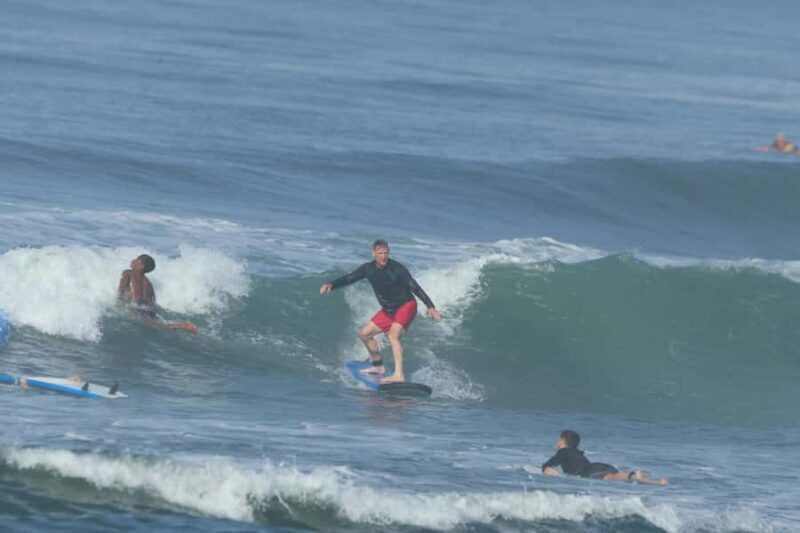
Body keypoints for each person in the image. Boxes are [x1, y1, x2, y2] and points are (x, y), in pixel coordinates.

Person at [319, 239, 441, 384]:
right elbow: (349, 278)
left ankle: (399, 375)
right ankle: (378, 366)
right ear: (374, 253)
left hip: (406, 305)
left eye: (386, 253)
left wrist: (430, 306)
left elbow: (414, 286)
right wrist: (331, 285)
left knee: (393, 335)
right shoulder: (368, 269)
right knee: (364, 334)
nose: (384, 256)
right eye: (380, 253)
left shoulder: (397, 268)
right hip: (389, 309)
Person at [542, 430, 668, 485]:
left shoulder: (563, 451)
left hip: (589, 472)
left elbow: (547, 466)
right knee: (618, 475)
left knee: (611, 477)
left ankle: (635, 476)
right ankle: (654, 481)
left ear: (562, 442)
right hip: (599, 466)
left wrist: (548, 472)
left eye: (558, 440)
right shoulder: (577, 453)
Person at [118, 254, 198, 334]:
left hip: (138, 308)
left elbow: (121, 289)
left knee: (154, 326)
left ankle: (185, 326)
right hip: (149, 309)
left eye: (137, 260)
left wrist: (119, 301)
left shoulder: (128, 272)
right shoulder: (148, 283)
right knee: (158, 324)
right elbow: (152, 300)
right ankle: (183, 326)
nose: (133, 260)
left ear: (142, 266)